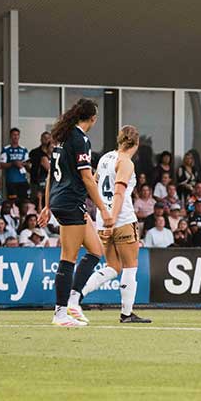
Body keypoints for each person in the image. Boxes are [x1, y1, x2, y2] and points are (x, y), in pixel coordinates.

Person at [37, 98, 113, 327]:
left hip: (63, 200)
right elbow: (87, 179)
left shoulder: (62, 139)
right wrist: (103, 209)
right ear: (93, 118)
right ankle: (60, 314)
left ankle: (72, 301)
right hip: (70, 202)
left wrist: (47, 205)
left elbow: (51, 174)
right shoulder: (80, 140)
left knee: (95, 251)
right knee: (68, 258)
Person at [68, 126, 150, 323]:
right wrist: (112, 217)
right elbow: (119, 192)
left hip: (101, 219)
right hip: (121, 219)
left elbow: (93, 184)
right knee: (130, 267)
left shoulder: (105, 158)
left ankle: (76, 297)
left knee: (113, 267)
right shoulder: (126, 162)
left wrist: (103, 216)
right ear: (136, 144)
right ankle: (126, 313)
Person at [0, 127, 30, 201]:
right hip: (11, 181)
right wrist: (13, 163)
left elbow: (27, 162)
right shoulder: (6, 149)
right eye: (14, 135)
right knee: (13, 202)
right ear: (10, 136)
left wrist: (23, 164)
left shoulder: (24, 149)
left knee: (24, 201)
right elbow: (2, 164)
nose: (16, 137)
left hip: (23, 180)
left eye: (17, 135)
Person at [29, 132, 54, 209]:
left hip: (50, 183)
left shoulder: (55, 156)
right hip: (37, 182)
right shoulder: (35, 153)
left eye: (48, 138)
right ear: (41, 139)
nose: (46, 140)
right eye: (44, 138)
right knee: (36, 202)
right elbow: (50, 169)